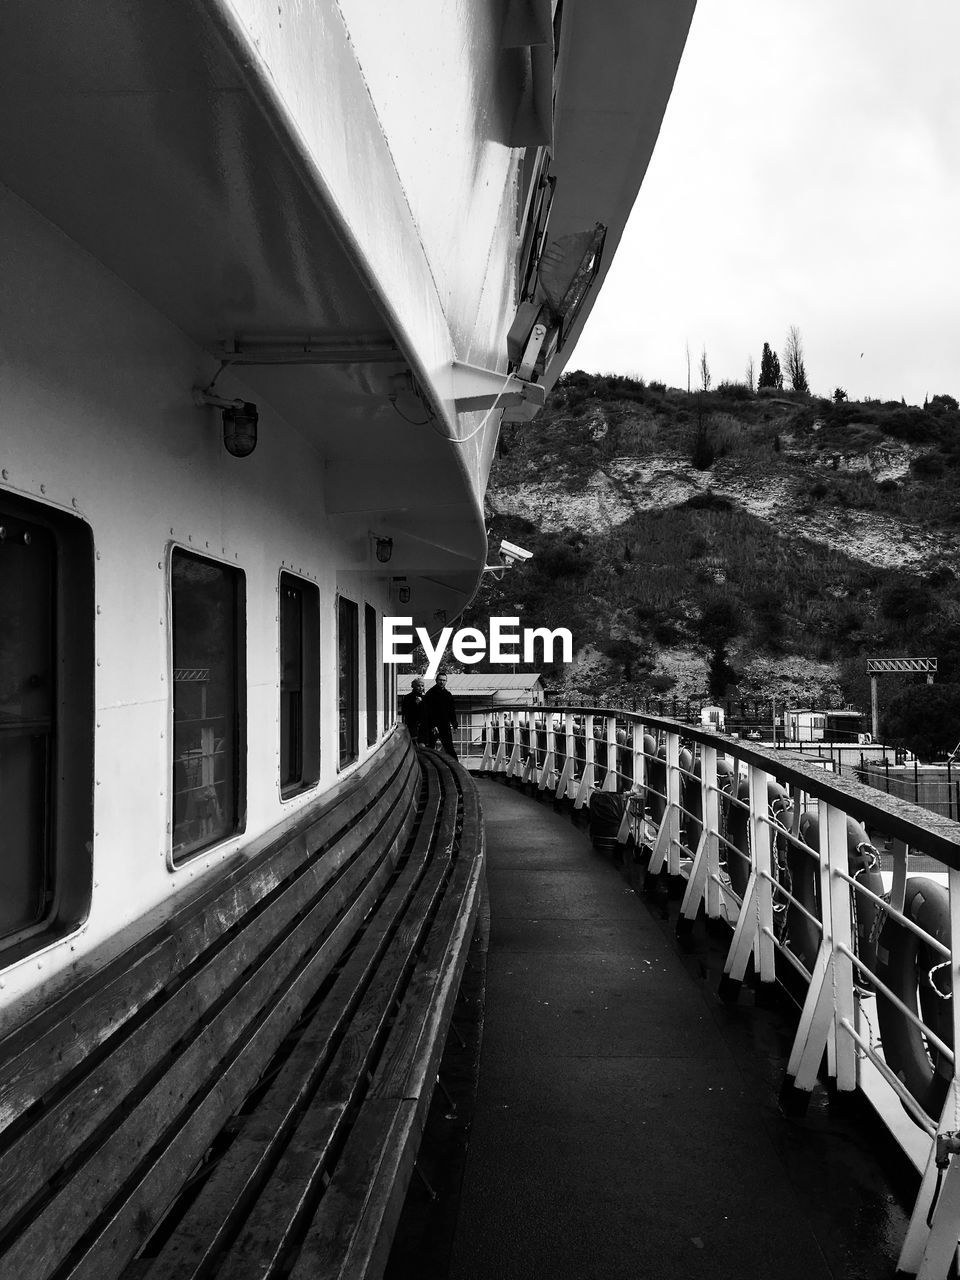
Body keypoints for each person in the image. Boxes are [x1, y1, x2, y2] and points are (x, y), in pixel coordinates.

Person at [422, 672, 458, 757]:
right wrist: (433, 725)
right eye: (440, 680)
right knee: (429, 749)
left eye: (444, 680)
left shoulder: (448, 694)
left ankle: (455, 768)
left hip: (445, 725)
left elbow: (451, 711)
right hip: (433, 726)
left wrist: (454, 724)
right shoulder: (430, 694)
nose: (442, 682)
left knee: (449, 748)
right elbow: (428, 712)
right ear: (436, 680)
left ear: (446, 681)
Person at [400, 677, 425, 741]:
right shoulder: (407, 697)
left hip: (423, 727)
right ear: (413, 686)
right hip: (412, 726)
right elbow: (405, 712)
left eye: (422, 686)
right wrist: (415, 704)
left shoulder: (425, 697)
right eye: (418, 686)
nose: (421, 688)